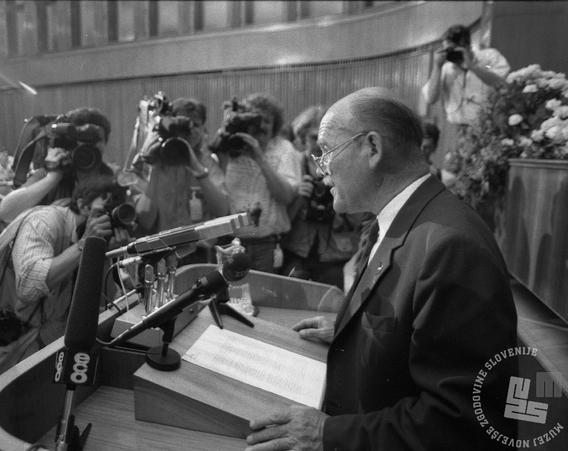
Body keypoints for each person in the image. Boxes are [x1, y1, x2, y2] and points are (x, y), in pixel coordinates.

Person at [245, 88, 517, 451]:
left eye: (326, 152)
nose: (320, 170)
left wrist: (326, 434)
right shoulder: (408, 217)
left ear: (371, 148)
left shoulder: (452, 247)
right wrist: (360, 332)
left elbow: (462, 423)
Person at [0, 176, 129, 390]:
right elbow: (29, 286)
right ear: (84, 205)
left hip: (40, 356)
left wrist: (105, 256)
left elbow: (101, 306)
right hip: (0, 355)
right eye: (107, 207)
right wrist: (86, 244)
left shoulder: (86, 237)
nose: (111, 216)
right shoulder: (44, 222)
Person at [218, 93, 300, 273]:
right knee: (233, 297)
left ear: (275, 125)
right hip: (233, 242)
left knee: (264, 294)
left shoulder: (284, 150)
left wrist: (259, 157)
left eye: (266, 121)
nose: (261, 126)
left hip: (267, 245)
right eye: (255, 120)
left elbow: (286, 196)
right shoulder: (232, 148)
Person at [281, 106, 362, 288]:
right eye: (312, 137)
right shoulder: (293, 163)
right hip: (298, 249)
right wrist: (300, 197)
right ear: (302, 137)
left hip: (335, 253)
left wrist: (338, 195)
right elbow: (282, 221)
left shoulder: (344, 165)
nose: (319, 143)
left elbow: (358, 218)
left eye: (324, 137)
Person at [0, 107, 115, 223]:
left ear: (105, 143)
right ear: (70, 141)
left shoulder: (113, 178)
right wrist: (52, 178)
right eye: (83, 139)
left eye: (96, 139)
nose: (89, 146)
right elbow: (6, 212)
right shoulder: (50, 174)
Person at [135, 97, 229, 233]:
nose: (189, 132)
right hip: (165, 249)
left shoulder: (208, 162)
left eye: (195, 125)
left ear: (204, 129)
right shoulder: (153, 162)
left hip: (200, 250)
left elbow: (222, 211)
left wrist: (197, 168)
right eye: (183, 126)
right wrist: (156, 167)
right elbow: (145, 220)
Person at [422, 24, 510, 128]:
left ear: (465, 45)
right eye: (446, 50)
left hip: (487, 125)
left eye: (451, 50)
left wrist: (472, 67)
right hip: (455, 129)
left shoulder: (488, 59)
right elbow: (430, 99)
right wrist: (437, 67)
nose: (448, 54)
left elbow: (500, 83)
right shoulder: (446, 69)